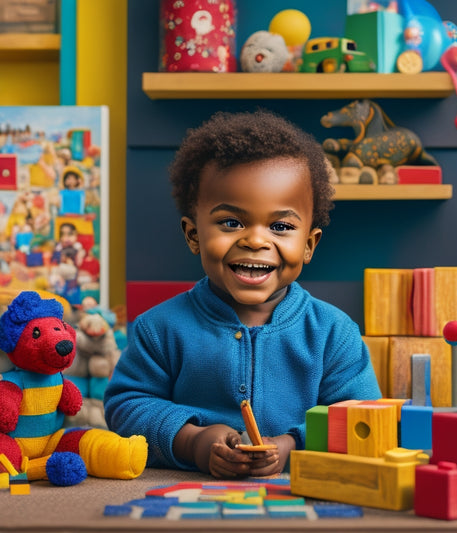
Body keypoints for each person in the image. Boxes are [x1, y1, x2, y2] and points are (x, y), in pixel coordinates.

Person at [104, 110, 381, 479]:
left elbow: (360, 414)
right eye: (231, 223)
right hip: (186, 499)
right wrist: (195, 441)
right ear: (193, 235)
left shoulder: (333, 333)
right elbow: (126, 407)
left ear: (310, 244)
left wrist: (290, 445)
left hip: (298, 502)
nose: (255, 240)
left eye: (280, 226)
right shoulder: (159, 329)